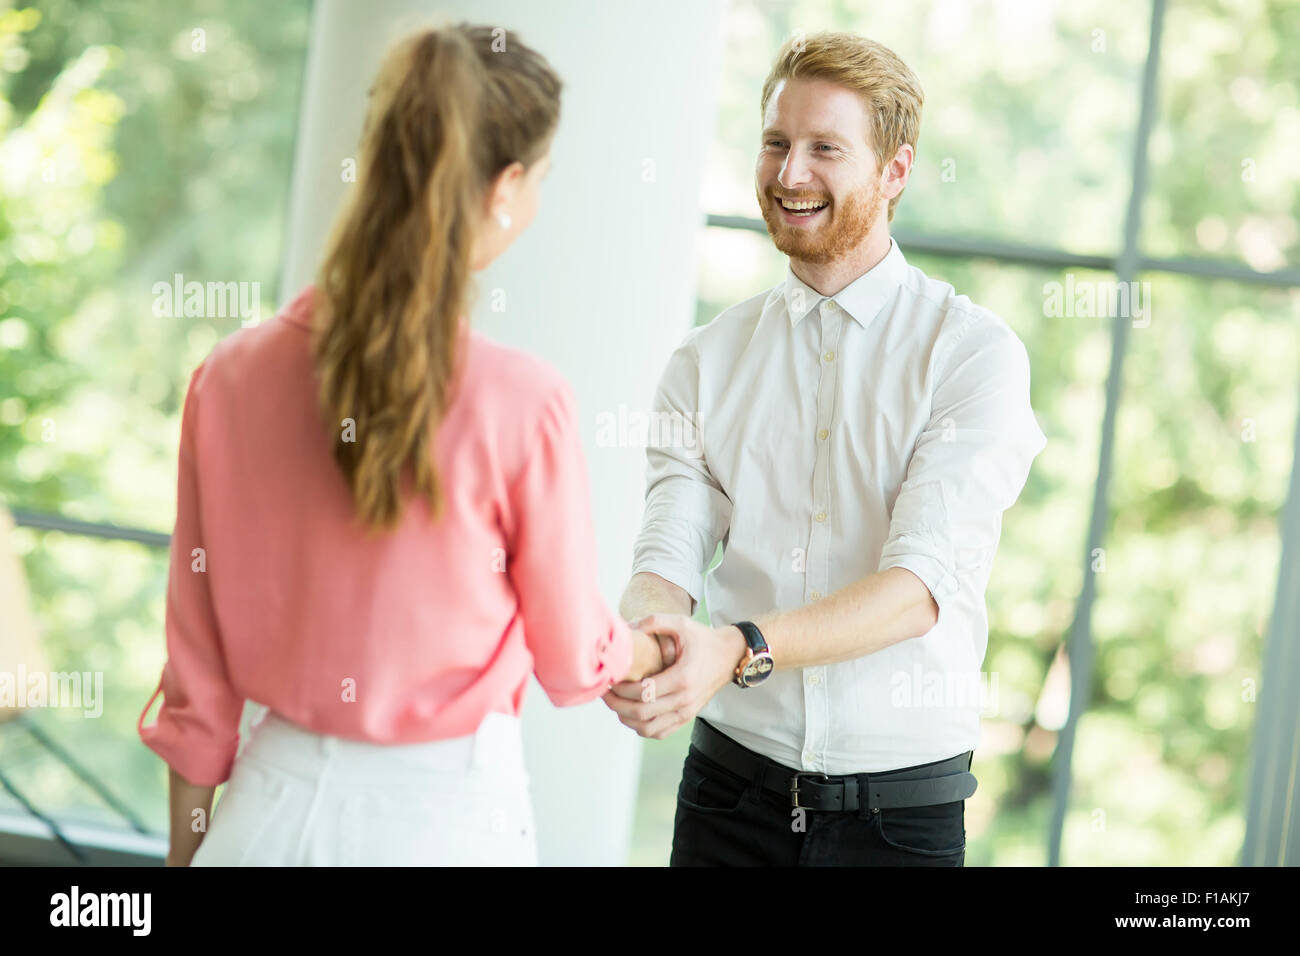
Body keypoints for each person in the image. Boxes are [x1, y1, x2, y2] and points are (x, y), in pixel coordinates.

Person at [137, 23, 667, 867]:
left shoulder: (227, 378)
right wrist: (655, 644)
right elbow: (572, 660)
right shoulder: (523, 403)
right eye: (542, 181)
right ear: (507, 186)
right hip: (447, 825)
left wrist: (187, 861)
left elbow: (197, 700)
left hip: (261, 822)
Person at [604, 31, 1048, 866]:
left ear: (895, 172)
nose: (788, 173)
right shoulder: (705, 360)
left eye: (824, 149)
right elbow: (668, 547)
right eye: (775, 143)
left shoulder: (973, 356)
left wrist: (735, 647)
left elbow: (917, 588)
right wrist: (647, 641)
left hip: (899, 821)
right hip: (726, 799)